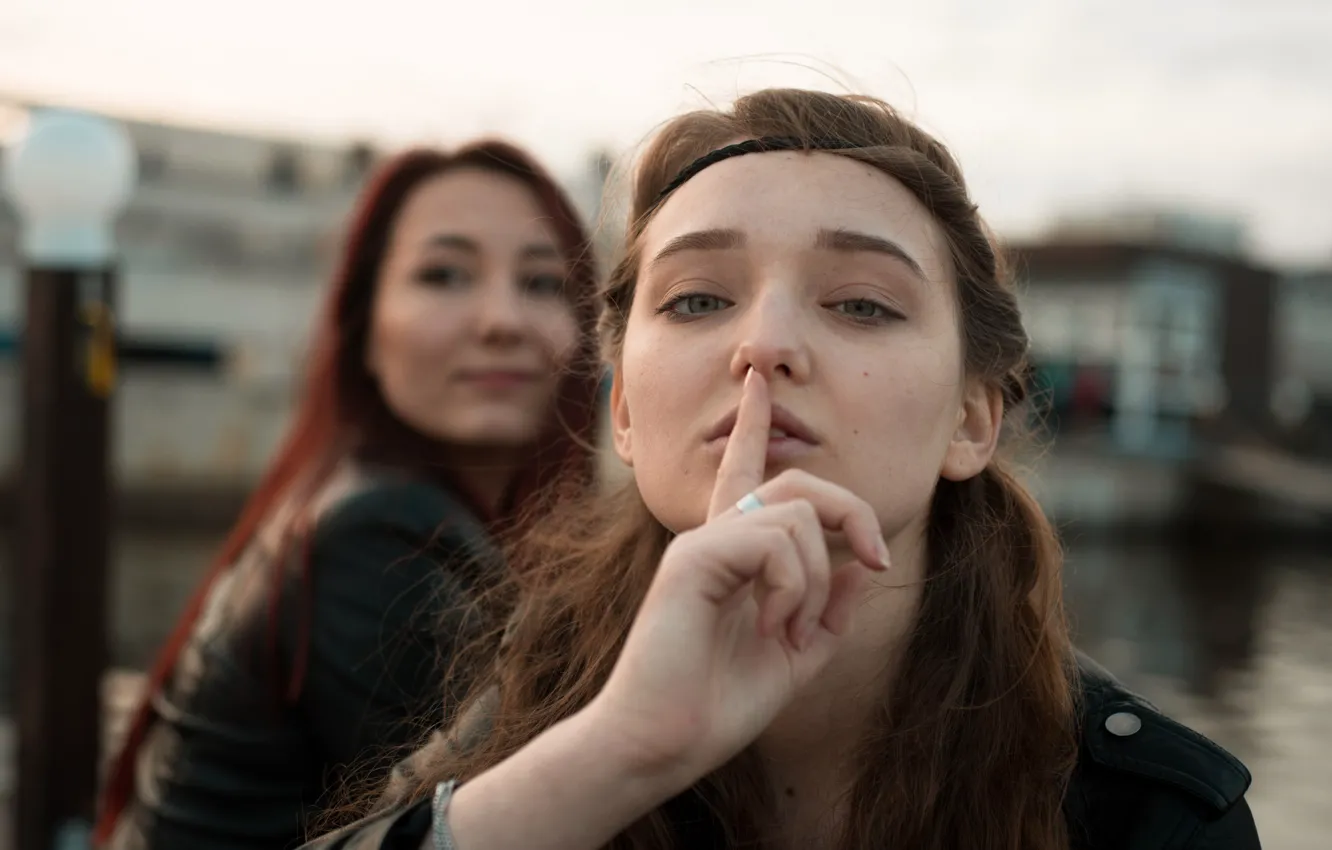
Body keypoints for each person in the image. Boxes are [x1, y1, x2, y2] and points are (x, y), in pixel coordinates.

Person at [300, 89, 1261, 850]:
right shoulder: (543, 695)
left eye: (862, 305)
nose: (763, 346)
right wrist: (621, 755)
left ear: (972, 419)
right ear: (625, 412)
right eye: (697, 298)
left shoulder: (1151, 815)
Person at [94, 142, 603, 849]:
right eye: (445, 275)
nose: (501, 320)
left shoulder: (374, 510)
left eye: (544, 283)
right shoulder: (375, 540)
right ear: (364, 332)